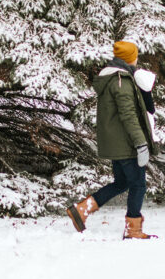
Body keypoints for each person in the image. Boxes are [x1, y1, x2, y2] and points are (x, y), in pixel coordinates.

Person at [66, 41, 157, 239]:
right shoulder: (121, 81)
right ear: (129, 57)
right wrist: (141, 143)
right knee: (138, 185)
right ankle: (134, 229)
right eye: (135, 55)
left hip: (118, 142)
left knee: (122, 182)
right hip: (126, 143)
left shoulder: (114, 77)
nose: (137, 58)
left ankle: (82, 209)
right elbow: (129, 116)